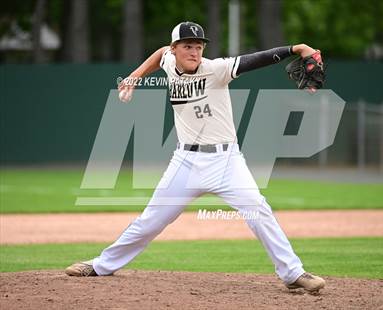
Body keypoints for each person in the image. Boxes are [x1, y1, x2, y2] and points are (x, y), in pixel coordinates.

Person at [66, 21, 326, 294]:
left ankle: (293, 273)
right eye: (187, 46)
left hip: (227, 162)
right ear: (175, 49)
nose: (194, 52)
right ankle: (101, 265)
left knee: (258, 211)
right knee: (151, 221)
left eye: (199, 46)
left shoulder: (216, 70)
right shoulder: (169, 62)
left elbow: (254, 60)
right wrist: (136, 75)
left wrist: (296, 48)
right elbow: (159, 53)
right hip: (186, 162)